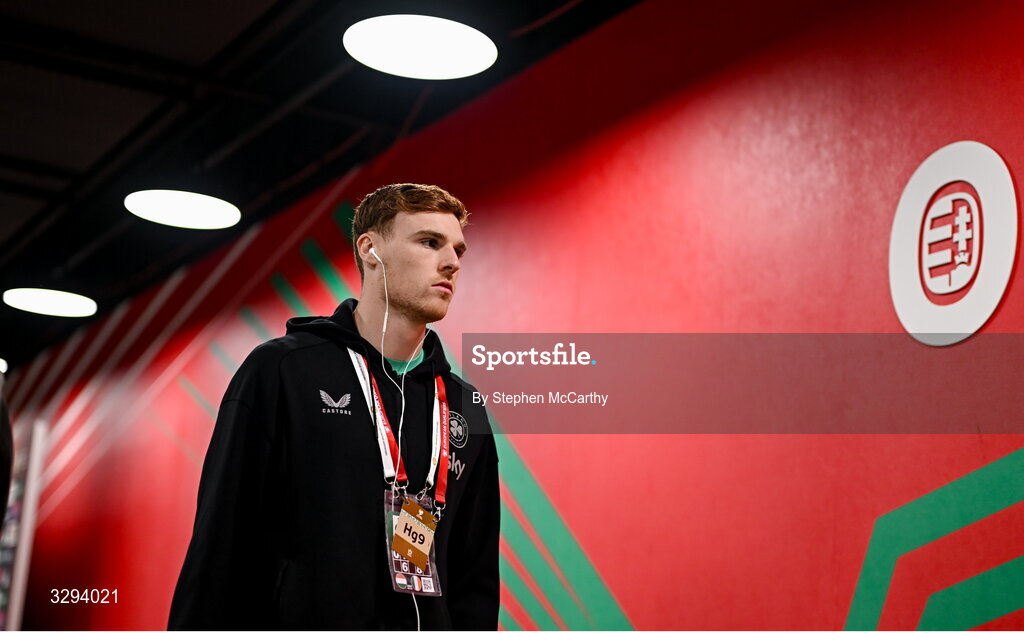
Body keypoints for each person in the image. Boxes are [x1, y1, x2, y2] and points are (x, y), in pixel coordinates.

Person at [168, 183, 499, 630]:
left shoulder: (463, 405)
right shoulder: (283, 369)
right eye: (429, 242)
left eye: (458, 249)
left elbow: (474, 573)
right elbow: (223, 543)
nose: (452, 262)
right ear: (370, 250)